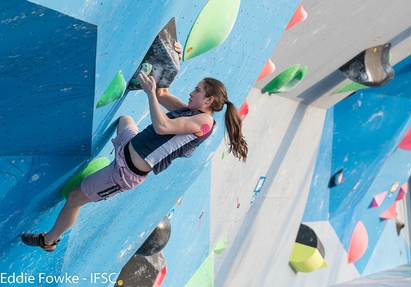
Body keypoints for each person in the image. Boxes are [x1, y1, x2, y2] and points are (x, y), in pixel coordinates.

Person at [21, 43, 248, 252]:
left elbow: (162, 126)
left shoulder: (205, 122)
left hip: (124, 173)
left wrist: (148, 92)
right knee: (125, 120)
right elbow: (162, 94)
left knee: (74, 198)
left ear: (208, 100)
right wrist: (174, 59)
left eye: (197, 90)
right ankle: (99, 169)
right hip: (129, 146)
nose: (191, 92)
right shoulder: (193, 112)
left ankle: (48, 241)